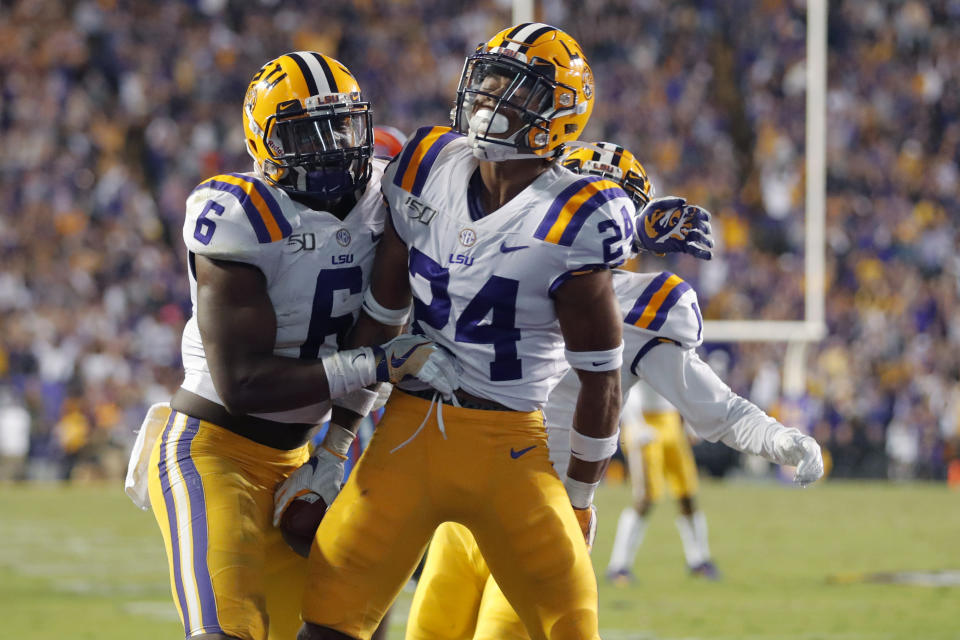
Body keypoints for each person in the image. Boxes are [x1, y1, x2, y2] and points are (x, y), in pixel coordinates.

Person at [287, 23, 633, 640]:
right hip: (410, 428)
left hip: (511, 446)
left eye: (514, 87)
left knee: (571, 624)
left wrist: (579, 496)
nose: (487, 95)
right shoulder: (426, 163)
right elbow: (382, 318)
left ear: (561, 112)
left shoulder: (577, 215)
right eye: (487, 78)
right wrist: (337, 445)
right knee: (330, 610)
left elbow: (600, 381)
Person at [403, 141, 824, 640]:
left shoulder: (635, 307)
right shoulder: (491, 256)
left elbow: (720, 410)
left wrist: (779, 439)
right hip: (462, 512)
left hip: (540, 517)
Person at [125, 52, 455, 640]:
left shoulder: (384, 197)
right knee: (230, 629)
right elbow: (245, 384)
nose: (331, 148)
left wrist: (334, 451)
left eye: (342, 126)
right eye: (307, 133)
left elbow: (380, 322)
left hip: (300, 455)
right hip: (214, 451)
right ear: (263, 142)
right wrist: (376, 364)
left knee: (352, 623)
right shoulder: (241, 213)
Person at [607, 381, 718, 584]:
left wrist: (691, 418)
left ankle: (699, 560)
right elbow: (625, 379)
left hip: (671, 419)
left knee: (687, 493)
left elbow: (681, 378)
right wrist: (635, 423)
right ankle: (619, 565)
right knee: (645, 498)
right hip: (644, 419)